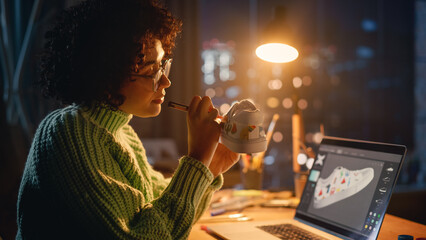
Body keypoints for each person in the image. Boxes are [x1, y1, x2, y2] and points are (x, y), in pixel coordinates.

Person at [16, 0, 239, 239]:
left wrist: (210, 165)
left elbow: (160, 210)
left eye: (163, 66)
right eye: (151, 72)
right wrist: (197, 158)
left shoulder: (123, 134)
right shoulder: (67, 133)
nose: (165, 82)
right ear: (107, 74)